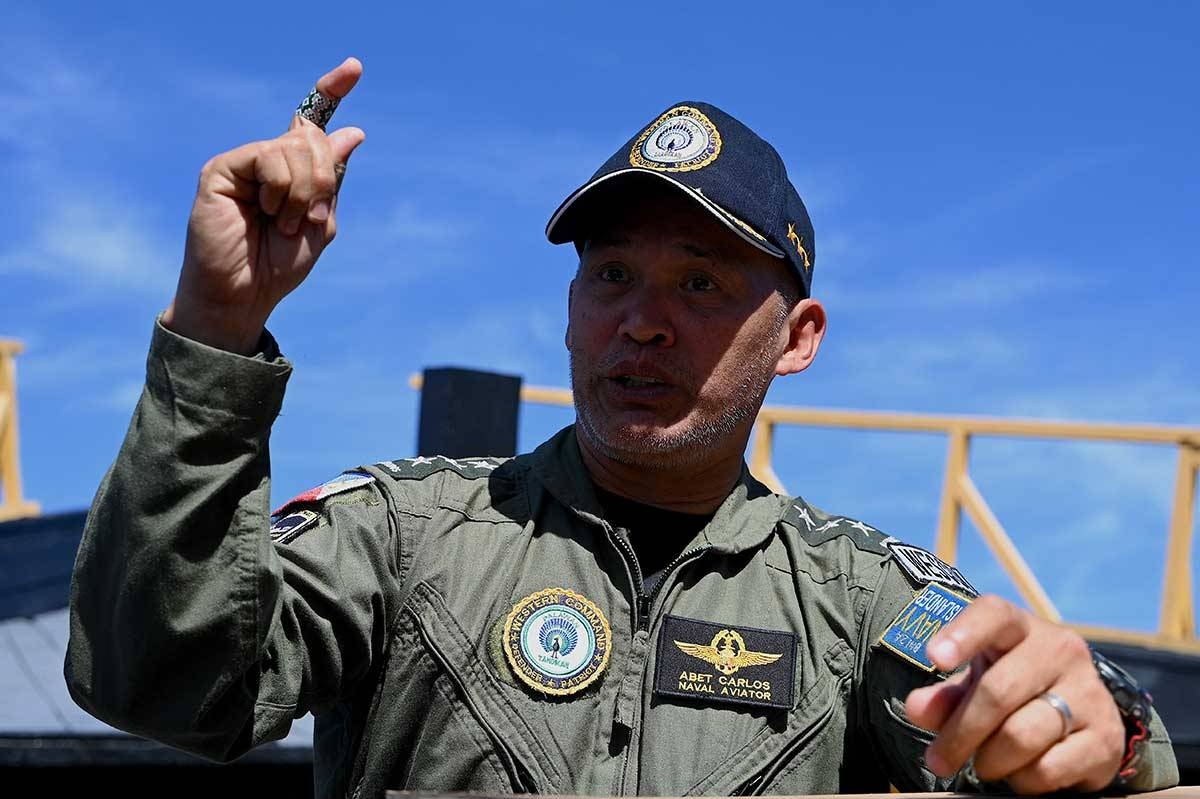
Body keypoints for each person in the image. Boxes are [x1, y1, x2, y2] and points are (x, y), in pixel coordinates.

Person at [65, 58, 1178, 798]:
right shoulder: (406, 536)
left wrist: (1105, 728)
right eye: (611, 275)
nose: (640, 322)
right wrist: (217, 323)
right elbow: (155, 680)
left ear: (797, 338)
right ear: (567, 307)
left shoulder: (860, 596)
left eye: (700, 283)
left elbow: (1048, 737)